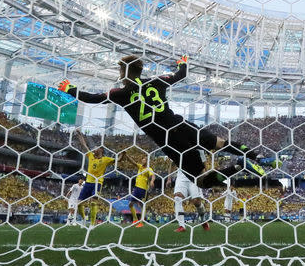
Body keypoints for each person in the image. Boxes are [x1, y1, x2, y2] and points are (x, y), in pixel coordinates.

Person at [58, 55, 261, 189]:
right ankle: (255, 155)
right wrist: (182, 62)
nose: (119, 74)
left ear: (125, 72)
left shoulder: (120, 93)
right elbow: (181, 74)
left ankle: (239, 166)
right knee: (220, 143)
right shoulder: (157, 81)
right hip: (181, 125)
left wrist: (70, 89)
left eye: (120, 71)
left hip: (169, 140)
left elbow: (92, 98)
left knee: (200, 181)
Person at [75, 129, 123, 228]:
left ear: (101, 150)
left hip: (97, 183)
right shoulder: (91, 156)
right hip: (88, 182)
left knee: (93, 202)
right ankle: (84, 220)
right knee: (79, 204)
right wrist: (79, 134)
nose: (94, 149)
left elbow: (118, 160)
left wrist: (123, 154)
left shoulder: (105, 160)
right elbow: (84, 145)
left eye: (96, 148)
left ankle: (92, 224)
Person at [166, 158, 210, 232]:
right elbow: (172, 163)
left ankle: (203, 220)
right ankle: (181, 226)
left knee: (196, 202)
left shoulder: (198, 148)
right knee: (177, 198)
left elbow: (204, 161)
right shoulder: (176, 147)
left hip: (195, 176)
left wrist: (207, 175)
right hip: (181, 177)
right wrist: (169, 178)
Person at [123, 152, 155, 228]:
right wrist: (126, 155)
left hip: (143, 189)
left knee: (142, 205)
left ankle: (141, 222)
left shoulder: (149, 169)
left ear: (147, 161)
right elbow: (133, 162)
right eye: (142, 159)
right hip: (136, 188)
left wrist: (152, 181)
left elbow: (153, 175)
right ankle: (135, 220)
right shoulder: (140, 167)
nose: (142, 161)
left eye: (144, 160)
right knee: (130, 204)